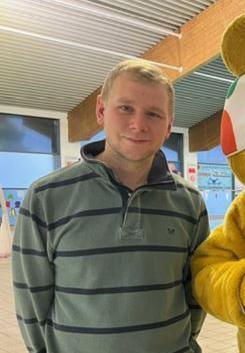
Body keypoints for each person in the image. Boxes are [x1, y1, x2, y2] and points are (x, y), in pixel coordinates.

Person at [12, 59, 208, 353]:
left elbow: (196, 295)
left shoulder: (190, 203)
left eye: (153, 114)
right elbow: (32, 304)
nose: (138, 124)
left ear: (168, 126)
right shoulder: (45, 198)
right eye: (125, 108)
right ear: (101, 111)